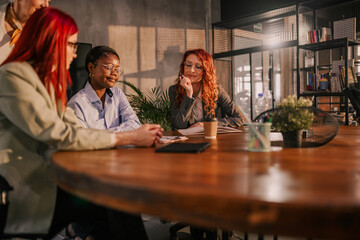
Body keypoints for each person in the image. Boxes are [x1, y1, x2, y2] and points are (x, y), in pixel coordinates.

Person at [0, 7, 162, 240]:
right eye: (71, 45)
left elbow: (75, 130)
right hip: (19, 192)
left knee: (116, 197)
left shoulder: (45, 83)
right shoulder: (12, 76)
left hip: (48, 182)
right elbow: (58, 133)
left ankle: (81, 231)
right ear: (48, 41)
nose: (75, 54)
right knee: (113, 199)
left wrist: (127, 135)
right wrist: (128, 136)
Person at [68, 46, 141, 132]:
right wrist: (122, 133)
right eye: (108, 67)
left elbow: (135, 125)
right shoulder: (77, 103)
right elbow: (82, 139)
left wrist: (100, 135)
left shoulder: (117, 94)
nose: (114, 73)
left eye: (117, 70)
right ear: (91, 68)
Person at [169, 48, 244, 131]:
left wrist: (208, 124)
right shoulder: (174, 90)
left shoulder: (215, 89)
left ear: (206, 71)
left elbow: (239, 119)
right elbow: (178, 125)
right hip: (188, 141)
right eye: (188, 65)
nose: (191, 70)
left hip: (212, 139)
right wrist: (189, 94)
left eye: (198, 67)